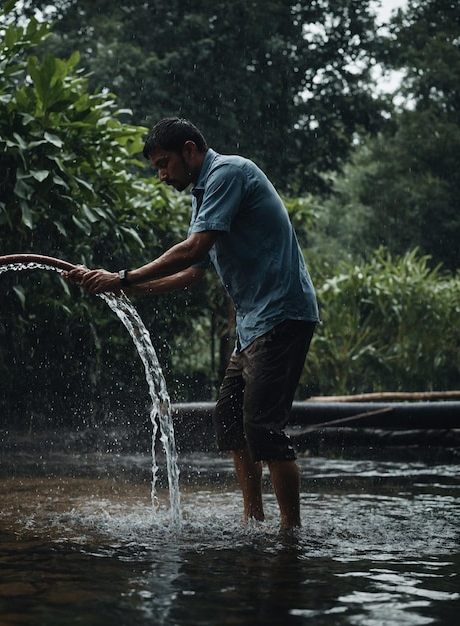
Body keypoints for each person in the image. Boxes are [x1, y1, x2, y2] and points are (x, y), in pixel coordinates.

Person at [66, 117, 319, 529]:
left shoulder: (227, 173)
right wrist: (122, 289)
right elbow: (193, 273)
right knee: (230, 417)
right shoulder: (202, 197)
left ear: (190, 150)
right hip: (253, 326)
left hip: (282, 315)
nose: (163, 175)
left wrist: (123, 277)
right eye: (157, 169)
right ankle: (253, 520)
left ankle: (291, 535)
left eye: (165, 164)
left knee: (263, 428)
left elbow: (193, 249)